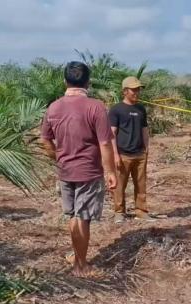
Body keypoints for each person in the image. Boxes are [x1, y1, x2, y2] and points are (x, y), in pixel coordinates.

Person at [40, 61, 117, 277]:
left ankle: (77, 256)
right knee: (83, 218)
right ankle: (81, 266)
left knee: (73, 216)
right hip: (88, 172)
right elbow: (104, 143)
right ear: (88, 82)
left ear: (65, 81)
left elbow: (44, 140)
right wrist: (111, 172)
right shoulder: (96, 107)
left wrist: (59, 158)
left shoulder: (53, 107)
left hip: (65, 172)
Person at [109, 76, 155, 223]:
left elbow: (145, 130)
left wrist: (146, 149)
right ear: (125, 91)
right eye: (133, 89)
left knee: (141, 184)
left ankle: (141, 211)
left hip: (140, 154)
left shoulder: (141, 109)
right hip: (123, 155)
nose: (137, 92)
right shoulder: (116, 110)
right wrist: (115, 155)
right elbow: (112, 134)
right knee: (119, 186)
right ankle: (119, 212)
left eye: (138, 89)